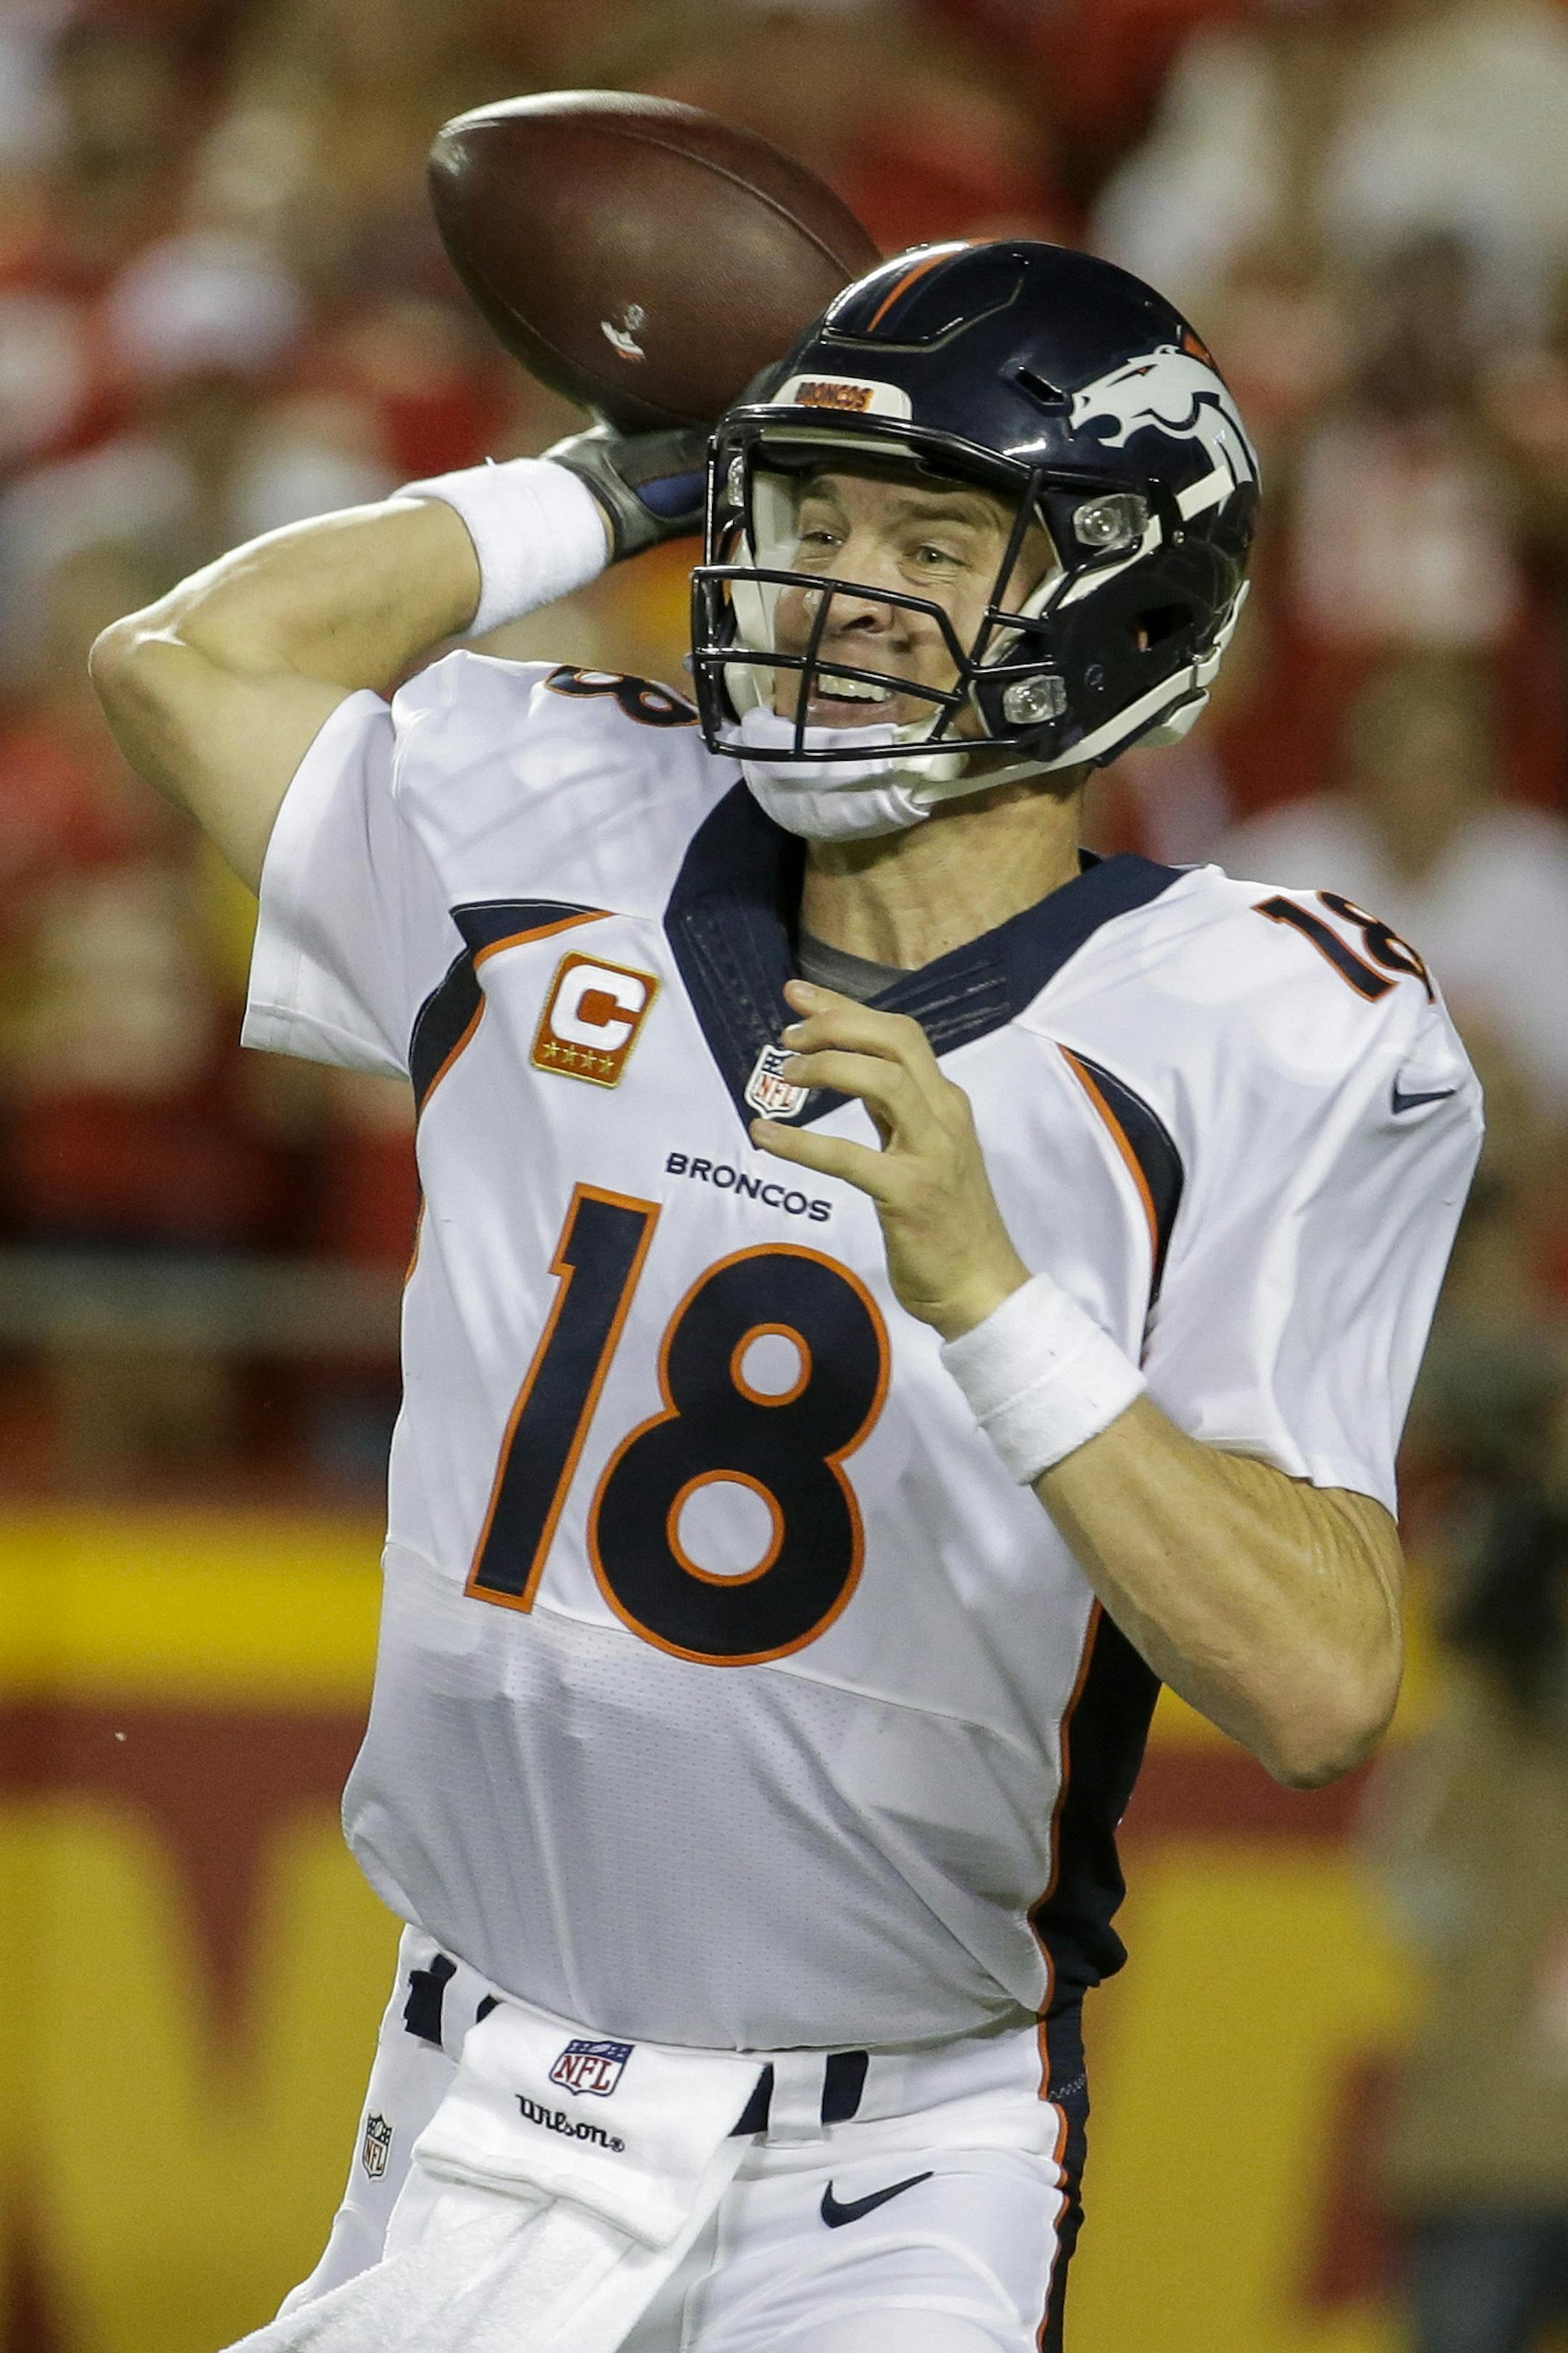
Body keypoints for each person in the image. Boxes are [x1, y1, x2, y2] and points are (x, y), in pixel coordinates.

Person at [89, 240, 1482, 2353]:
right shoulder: (565, 809)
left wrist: (995, 1298)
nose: (841, 593)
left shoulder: (1269, 1025)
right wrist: (619, 476)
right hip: (458, 2101)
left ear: (1125, 592)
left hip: (885, 2175)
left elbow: (1318, 1684)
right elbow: (187, 658)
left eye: (936, 539)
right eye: (810, 518)